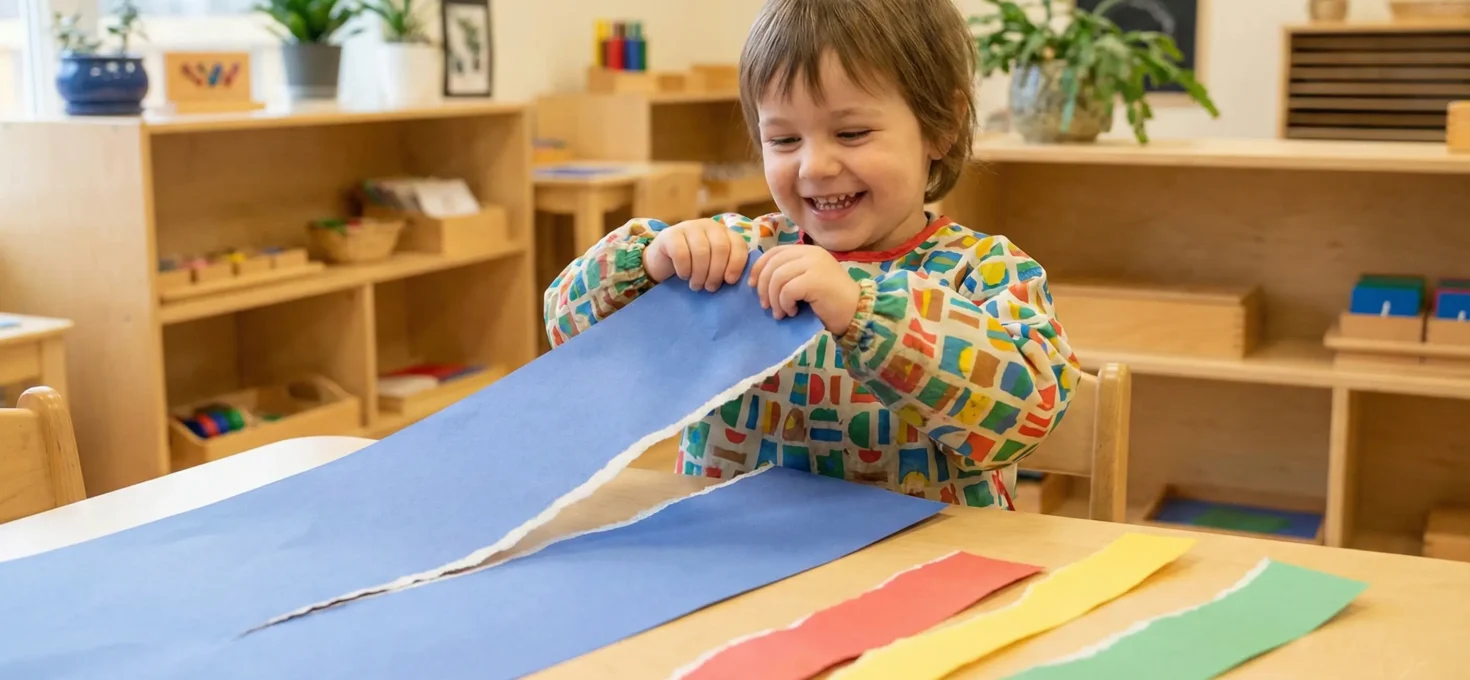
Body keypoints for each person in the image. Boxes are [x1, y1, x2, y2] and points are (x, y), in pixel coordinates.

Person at [543, 0, 1083, 509]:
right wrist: (649, 264)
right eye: (783, 140)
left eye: (851, 133)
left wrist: (864, 311)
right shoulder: (735, 258)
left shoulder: (984, 270)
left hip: (920, 563)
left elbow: (1030, 414)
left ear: (942, 124)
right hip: (737, 557)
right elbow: (568, 332)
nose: (814, 167)